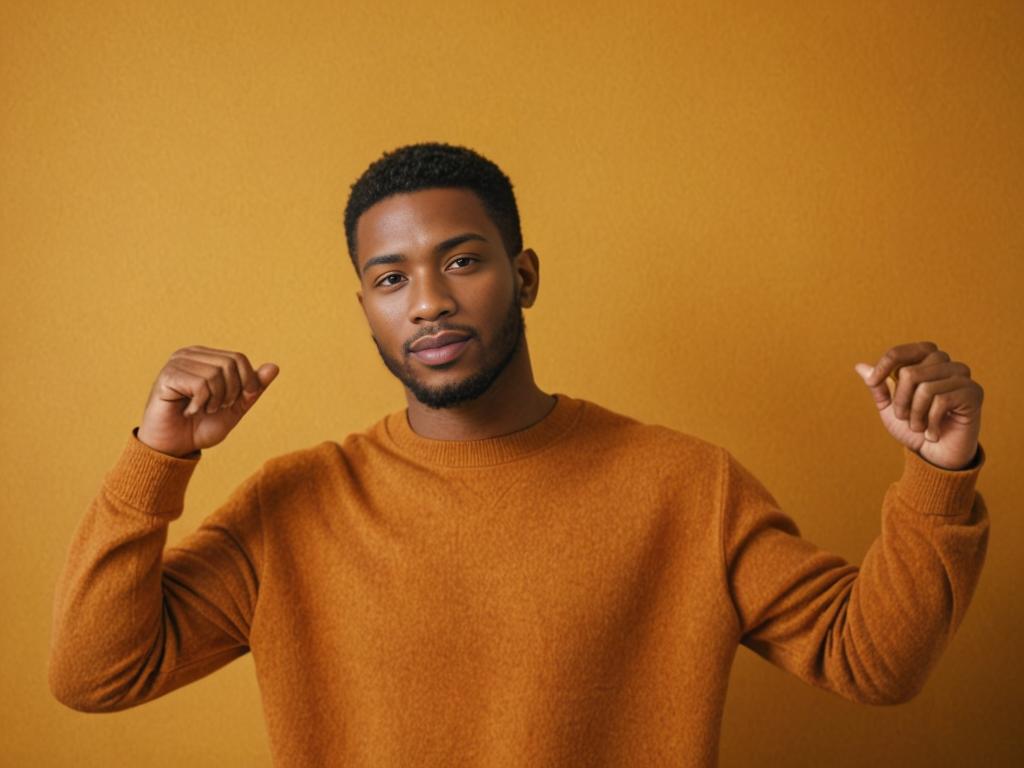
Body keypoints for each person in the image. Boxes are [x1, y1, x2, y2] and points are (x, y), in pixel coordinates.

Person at [48, 142, 988, 767]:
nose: (427, 302)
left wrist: (941, 472)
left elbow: (873, 660)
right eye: (390, 278)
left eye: (462, 260)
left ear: (523, 274)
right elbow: (97, 674)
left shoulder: (684, 486)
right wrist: (156, 458)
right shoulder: (295, 504)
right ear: (366, 309)